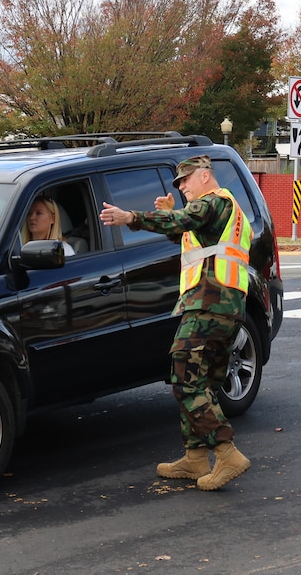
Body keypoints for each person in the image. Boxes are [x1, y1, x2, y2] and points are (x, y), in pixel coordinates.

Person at [98, 155, 252, 491]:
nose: (181, 186)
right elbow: (189, 236)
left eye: (185, 180)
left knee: (184, 379)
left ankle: (227, 453)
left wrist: (131, 218)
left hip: (207, 306)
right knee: (203, 383)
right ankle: (195, 457)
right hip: (226, 308)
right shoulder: (231, 210)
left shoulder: (212, 203)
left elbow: (183, 220)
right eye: (179, 183)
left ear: (206, 175)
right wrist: (172, 214)